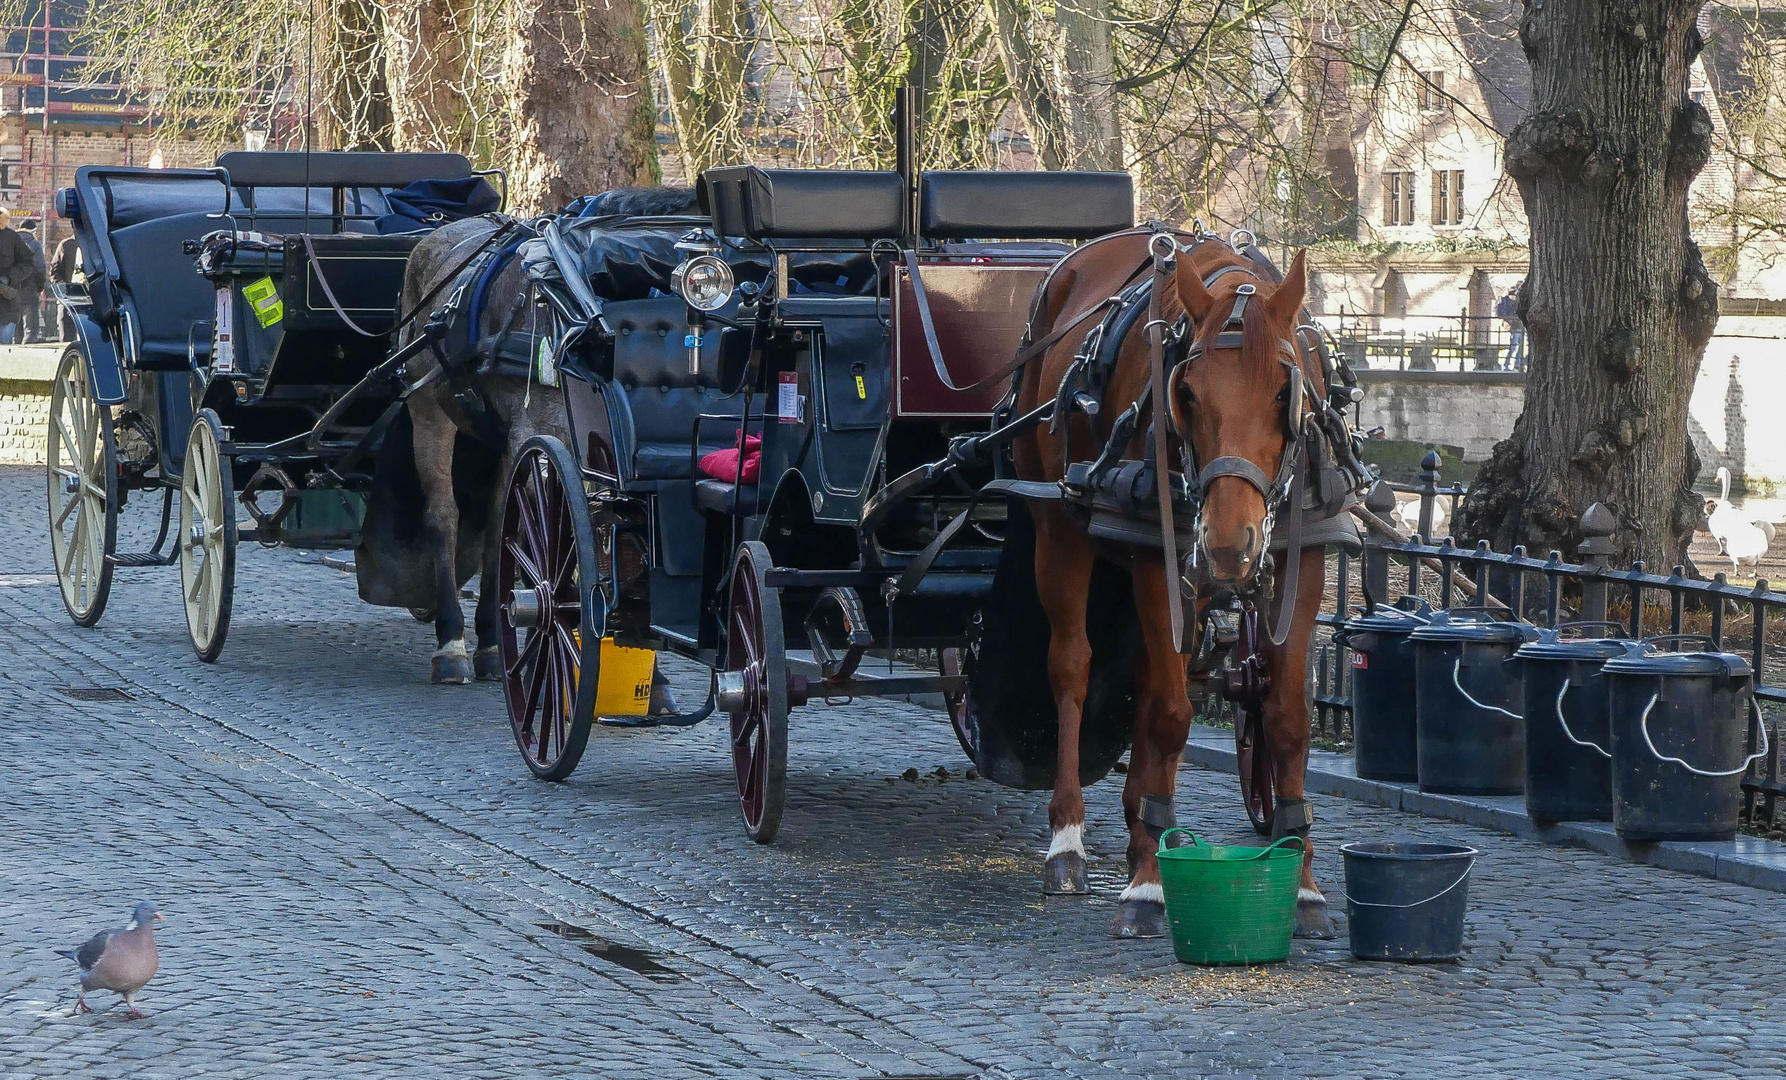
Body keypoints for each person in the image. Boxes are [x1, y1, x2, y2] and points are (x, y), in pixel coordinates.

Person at [0, 209, 38, 345]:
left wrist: (9, 278)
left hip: (5, 308)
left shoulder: (11, 237)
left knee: (3, 353)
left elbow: (28, 263)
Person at [14, 218, 46, 343]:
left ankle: (14, 347)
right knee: (30, 326)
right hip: (29, 286)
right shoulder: (35, 244)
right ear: (32, 231)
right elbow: (40, 268)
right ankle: (28, 348)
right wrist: (40, 286)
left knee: (15, 325)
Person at [51, 230, 79, 342]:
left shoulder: (67, 244)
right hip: (69, 295)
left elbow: (54, 268)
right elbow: (55, 269)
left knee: (67, 335)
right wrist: (62, 288)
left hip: (72, 295)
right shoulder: (67, 245)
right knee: (67, 335)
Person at [1495, 281, 1526, 371]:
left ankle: (1516, 364)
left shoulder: (1516, 298)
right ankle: (1508, 364)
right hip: (1515, 324)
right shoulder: (1512, 299)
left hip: (1519, 324)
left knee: (1519, 345)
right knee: (1515, 345)